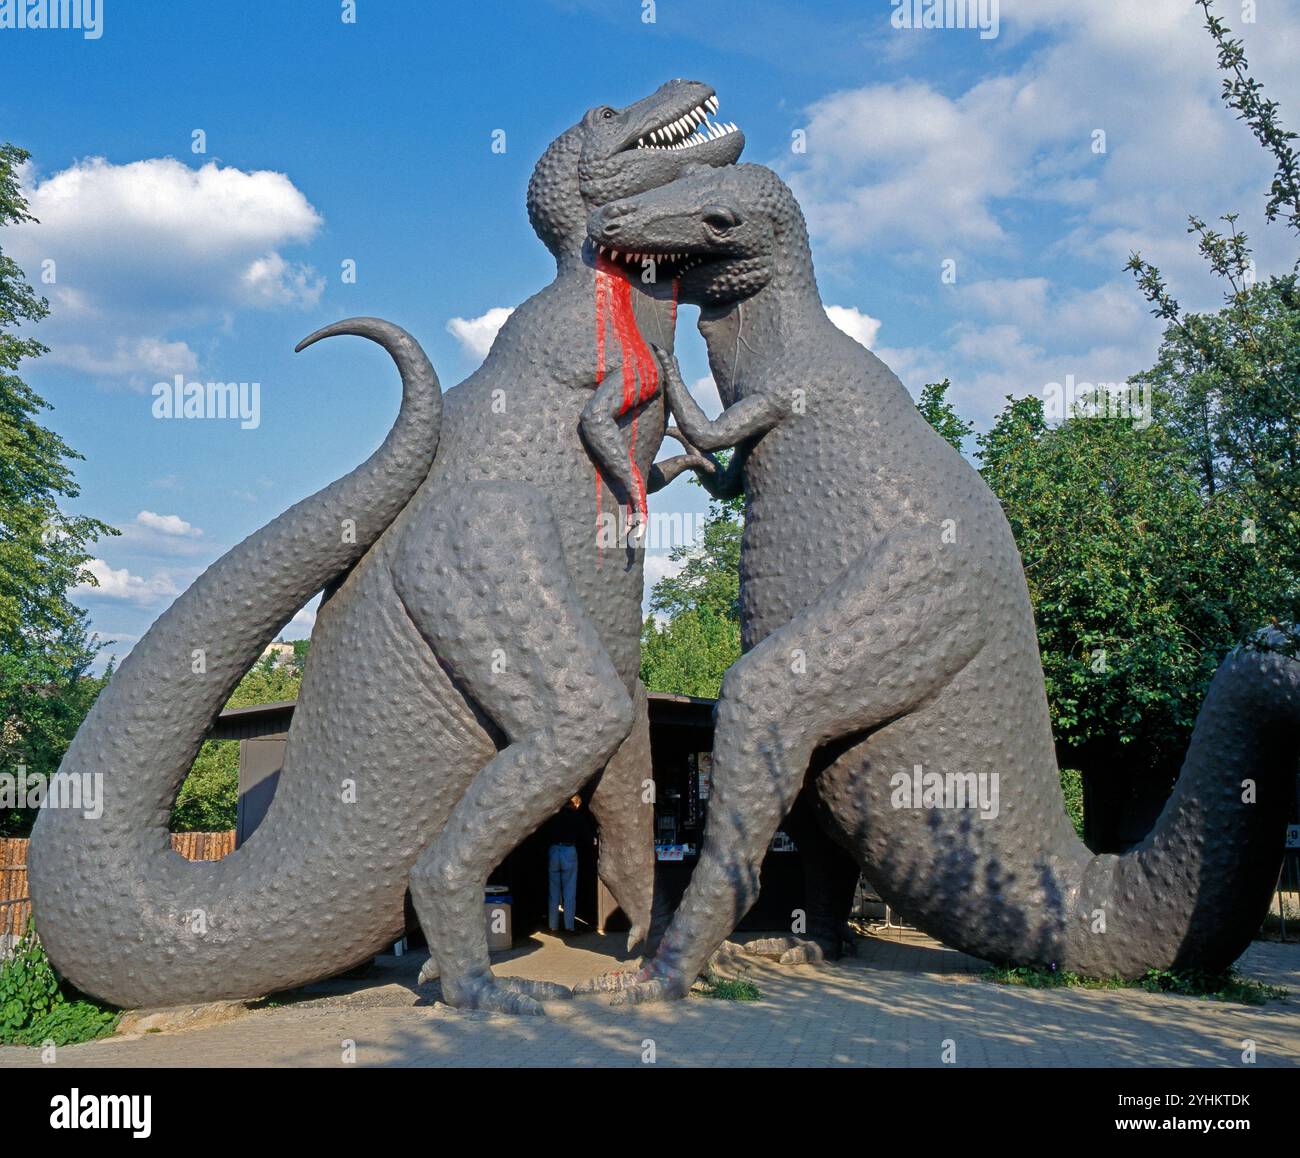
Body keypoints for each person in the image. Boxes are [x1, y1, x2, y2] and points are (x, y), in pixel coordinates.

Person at [543, 795, 589, 935]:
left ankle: (553, 926)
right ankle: (569, 926)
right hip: (569, 851)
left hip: (554, 850)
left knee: (553, 891)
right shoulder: (577, 817)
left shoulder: (553, 815)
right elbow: (586, 837)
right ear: (575, 804)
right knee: (569, 890)